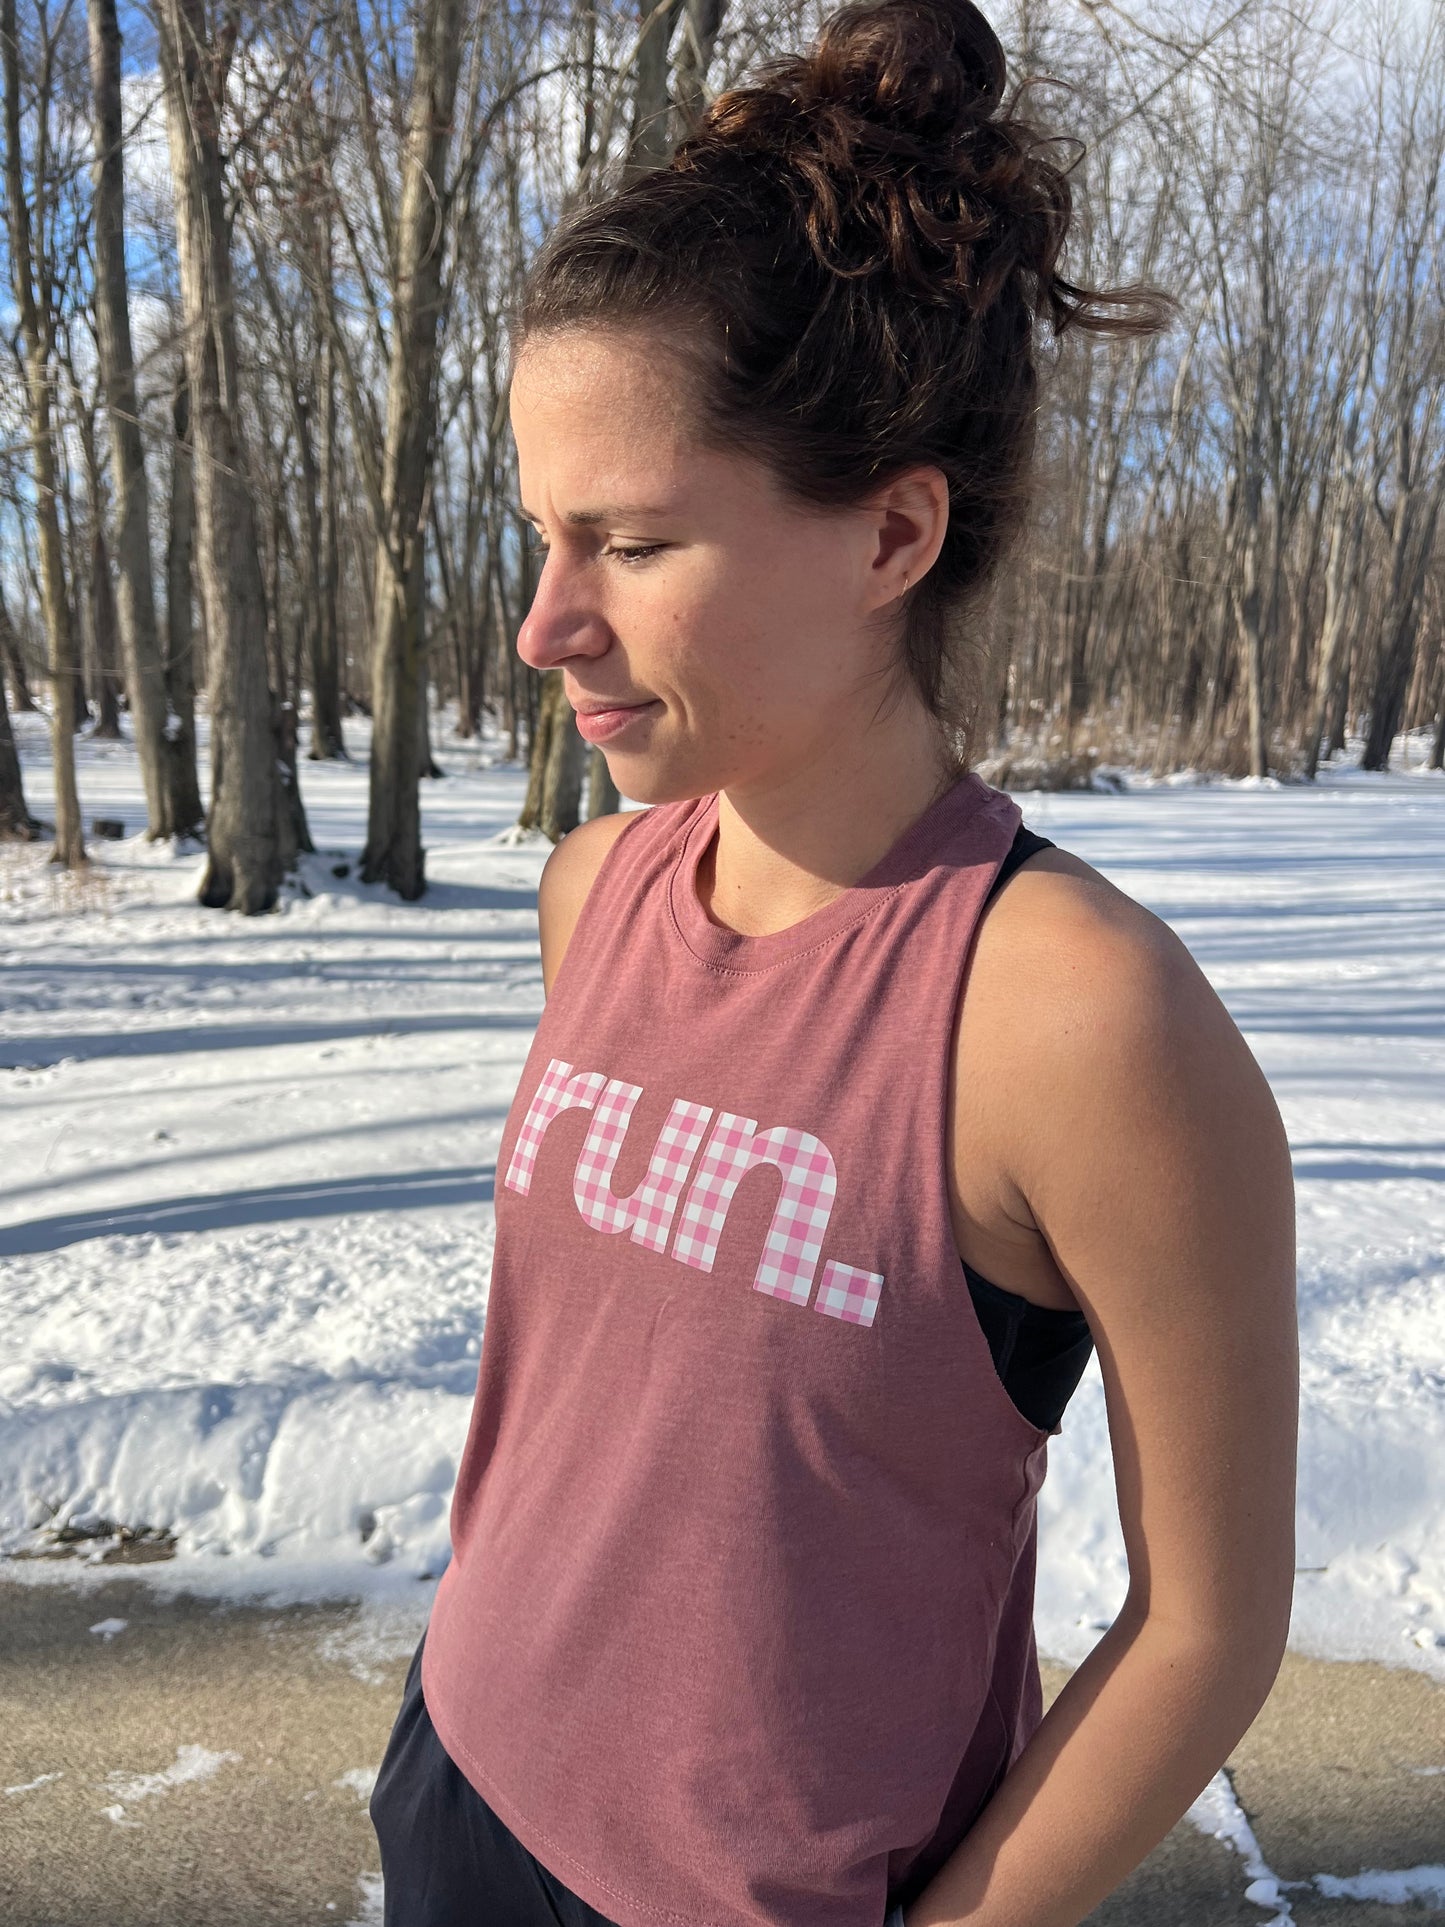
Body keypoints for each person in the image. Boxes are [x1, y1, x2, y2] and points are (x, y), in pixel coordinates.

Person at [369, 3, 1299, 1923]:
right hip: (457, 1777)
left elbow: (1208, 1622)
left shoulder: (1070, 1019)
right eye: (542, 535)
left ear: (889, 533)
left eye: (629, 543)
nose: (547, 624)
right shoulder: (593, 893)